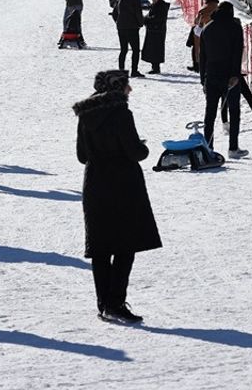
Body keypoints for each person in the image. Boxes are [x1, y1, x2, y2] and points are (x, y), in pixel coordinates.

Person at [74, 70, 162, 324]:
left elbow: (82, 155)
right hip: (123, 183)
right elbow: (135, 153)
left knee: (101, 248)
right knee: (126, 245)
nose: (130, 90)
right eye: (127, 85)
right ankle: (116, 302)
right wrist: (143, 147)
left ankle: (104, 304)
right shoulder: (122, 114)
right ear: (117, 87)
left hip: (95, 183)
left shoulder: (86, 114)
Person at [200, 1, 246, 159]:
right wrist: (235, 75)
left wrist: (203, 79)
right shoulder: (234, 27)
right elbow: (237, 52)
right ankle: (233, 148)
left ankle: (208, 147)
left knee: (210, 113)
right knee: (234, 112)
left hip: (211, 76)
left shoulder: (207, 28)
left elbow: (202, 56)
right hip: (229, 76)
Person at [114, 0, 145, 78]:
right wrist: (141, 23)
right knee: (135, 50)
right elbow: (138, 12)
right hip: (132, 28)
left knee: (123, 50)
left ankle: (121, 70)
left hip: (121, 27)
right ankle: (134, 71)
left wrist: (118, 22)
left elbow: (114, 13)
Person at [189, 0, 220, 71]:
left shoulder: (205, 9)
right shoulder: (217, 6)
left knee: (200, 50)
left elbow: (198, 21)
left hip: (203, 33)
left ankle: (198, 65)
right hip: (213, 33)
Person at [142, 0, 169, 74]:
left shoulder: (161, 7)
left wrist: (146, 20)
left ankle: (156, 68)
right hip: (153, 30)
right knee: (152, 49)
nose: (153, 0)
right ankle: (154, 66)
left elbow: (157, 18)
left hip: (157, 31)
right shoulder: (156, 6)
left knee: (156, 49)